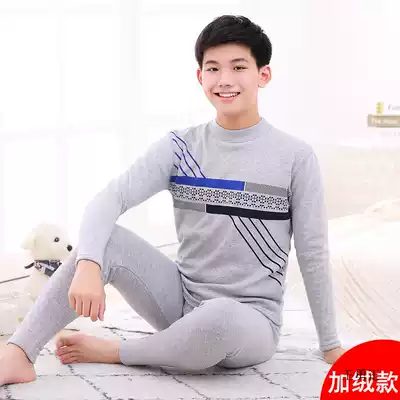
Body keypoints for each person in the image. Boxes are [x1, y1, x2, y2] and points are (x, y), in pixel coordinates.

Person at [0, 14, 345, 386]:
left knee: (219, 317)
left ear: (263, 75)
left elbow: (312, 252)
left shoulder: (295, 157)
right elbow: (109, 198)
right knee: (104, 240)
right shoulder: (180, 147)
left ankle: (118, 351)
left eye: (238, 67)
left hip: (250, 323)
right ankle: (18, 353)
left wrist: (330, 345)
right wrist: (88, 264)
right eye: (213, 68)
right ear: (200, 76)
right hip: (181, 302)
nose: (225, 79)